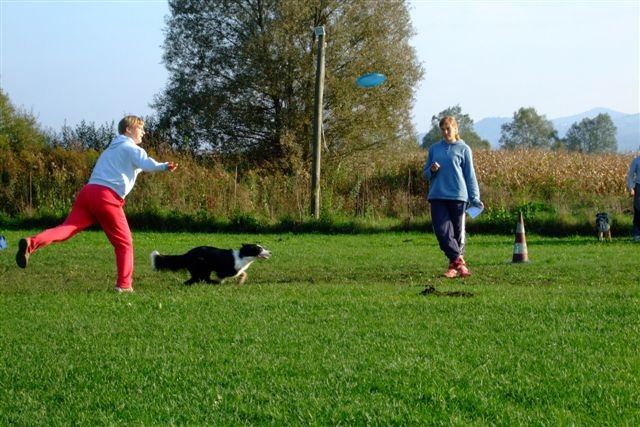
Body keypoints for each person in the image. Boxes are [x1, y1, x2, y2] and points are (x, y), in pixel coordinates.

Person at [16, 115, 178, 292]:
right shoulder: (130, 147)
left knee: (66, 229)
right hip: (106, 197)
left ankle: (31, 243)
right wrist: (164, 166)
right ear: (129, 129)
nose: (144, 132)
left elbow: (136, 166)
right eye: (140, 128)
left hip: (88, 193)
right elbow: (146, 163)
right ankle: (124, 286)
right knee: (124, 243)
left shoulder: (111, 149)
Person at [424, 116, 483, 278]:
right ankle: (460, 263)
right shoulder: (434, 149)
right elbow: (425, 174)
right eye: (442, 129)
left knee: (457, 234)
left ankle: (453, 268)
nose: (445, 132)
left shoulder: (464, 149)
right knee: (442, 232)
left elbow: (470, 176)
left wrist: (475, 198)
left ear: (456, 129)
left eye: (448, 128)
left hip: (458, 196)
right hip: (437, 195)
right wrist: (432, 170)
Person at [627, 153, 640, 241]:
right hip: (639, 187)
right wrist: (631, 188)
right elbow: (630, 175)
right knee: (638, 210)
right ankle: (636, 235)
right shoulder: (636, 161)